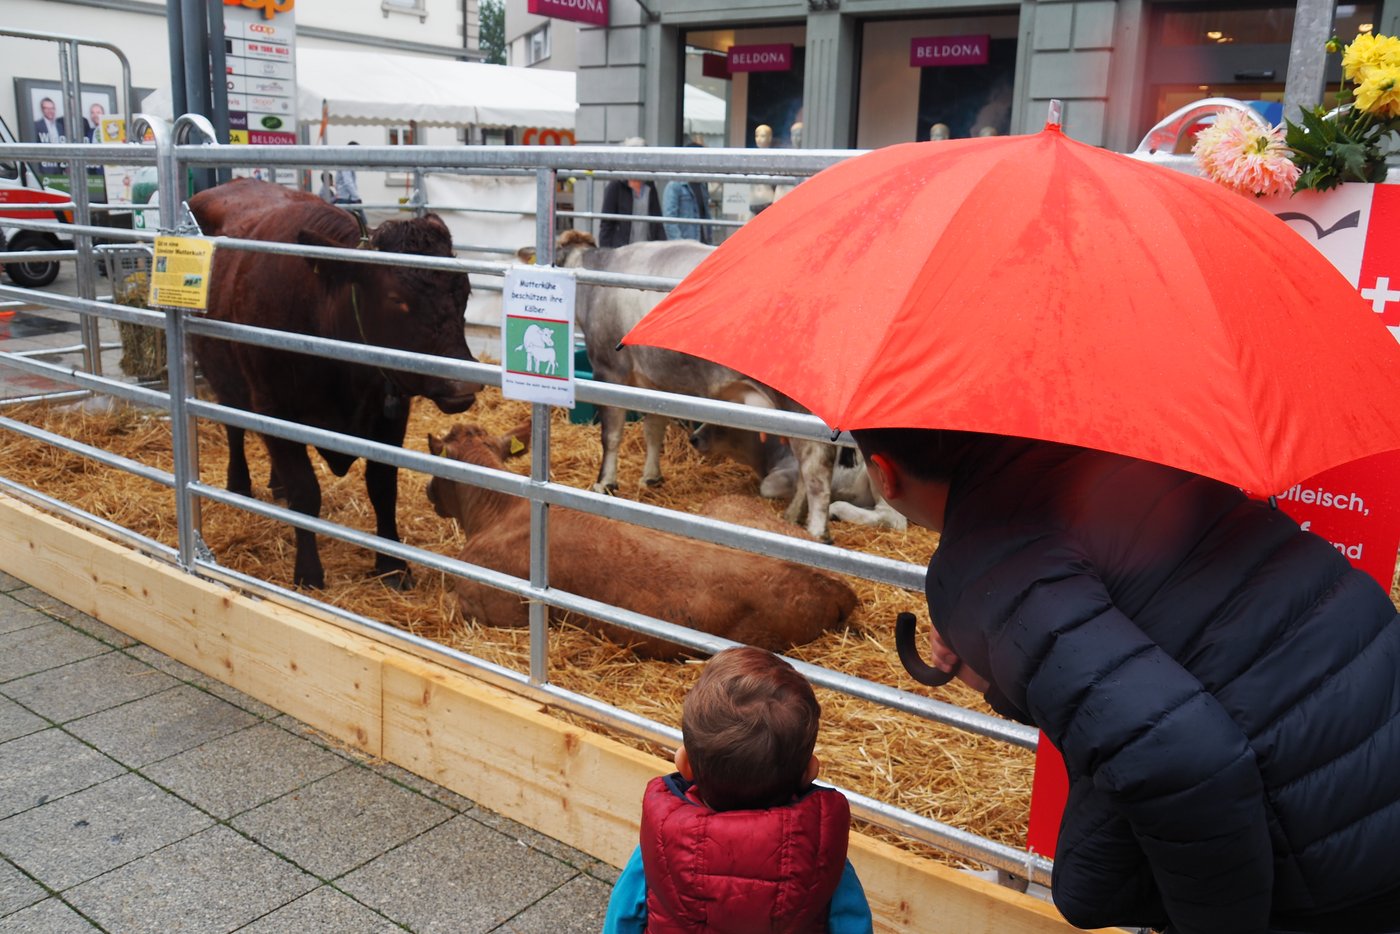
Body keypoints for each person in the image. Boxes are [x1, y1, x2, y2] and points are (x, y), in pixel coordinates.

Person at [852, 426, 1400, 934]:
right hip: (1368, 722)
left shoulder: (986, 554)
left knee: (1089, 885)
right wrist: (993, 670)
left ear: (884, 473)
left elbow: (1178, 757)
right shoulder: (1110, 444)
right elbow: (1123, 675)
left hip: (1332, 843)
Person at [603, 646, 873, 933]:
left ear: (684, 763)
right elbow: (853, 925)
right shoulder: (820, 856)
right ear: (810, 771)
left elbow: (622, 920)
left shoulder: (661, 848)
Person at [598, 137, 665, 248]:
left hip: (647, 251)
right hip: (623, 252)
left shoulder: (649, 185)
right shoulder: (615, 185)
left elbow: (657, 222)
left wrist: (662, 248)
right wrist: (605, 253)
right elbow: (606, 225)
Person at [661, 140, 711, 244]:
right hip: (685, 249)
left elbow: (705, 217)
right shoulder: (675, 185)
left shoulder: (702, 186)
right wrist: (680, 245)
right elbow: (669, 219)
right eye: (701, 159)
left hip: (701, 244)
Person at [334, 141, 366, 225]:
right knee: (362, 223)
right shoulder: (346, 162)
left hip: (345, 197)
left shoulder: (347, 161)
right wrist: (356, 197)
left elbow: (338, 181)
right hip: (347, 199)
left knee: (347, 224)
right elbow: (348, 182)